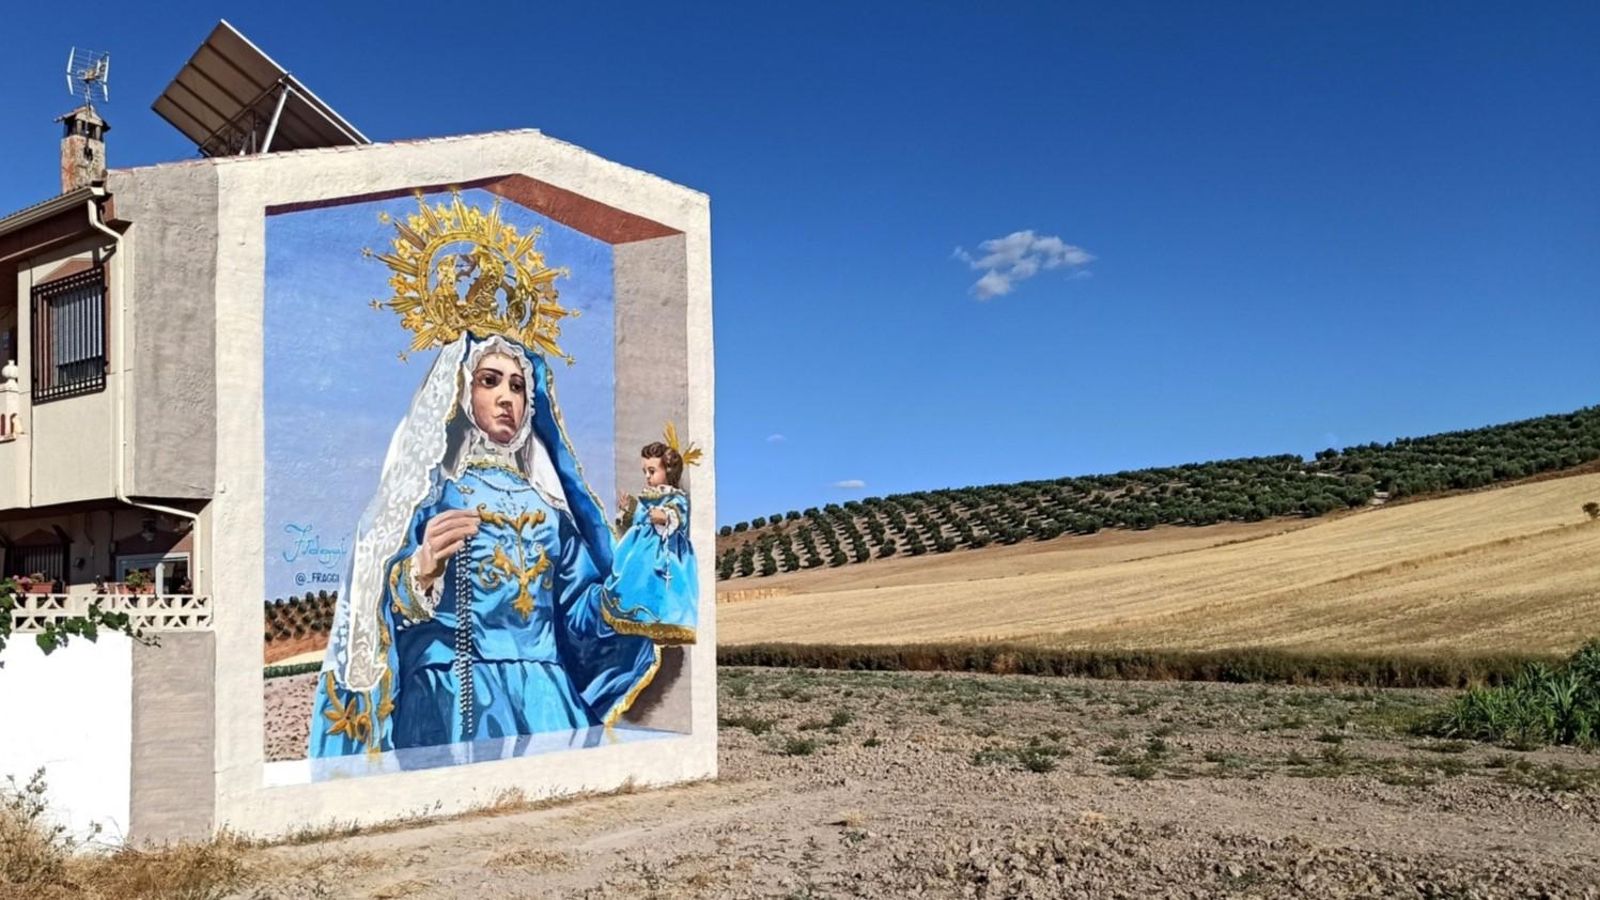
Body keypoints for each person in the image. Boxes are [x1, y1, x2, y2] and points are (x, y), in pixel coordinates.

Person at [309, 333, 665, 757]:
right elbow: (374, 602)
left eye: (517, 386)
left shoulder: (550, 507)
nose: (505, 398)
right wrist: (419, 571)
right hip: (453, 696)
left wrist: (628, 590)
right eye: (489, 381)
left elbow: (577, 609)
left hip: (546, 698)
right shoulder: (428, 493)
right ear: (460, 389)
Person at [603, 440, 700, 643]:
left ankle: (658, 618)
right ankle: (635, 614)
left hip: (664, 555)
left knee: (658, 590)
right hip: (638, 550)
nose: (647, 476)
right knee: (632, 578)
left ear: (669, 470)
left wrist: (665, 516)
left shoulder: (676, 497)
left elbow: (677, 516)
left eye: (652, 471)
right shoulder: (647, 497)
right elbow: (639, 518)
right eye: (645, 471)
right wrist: (630, 508)